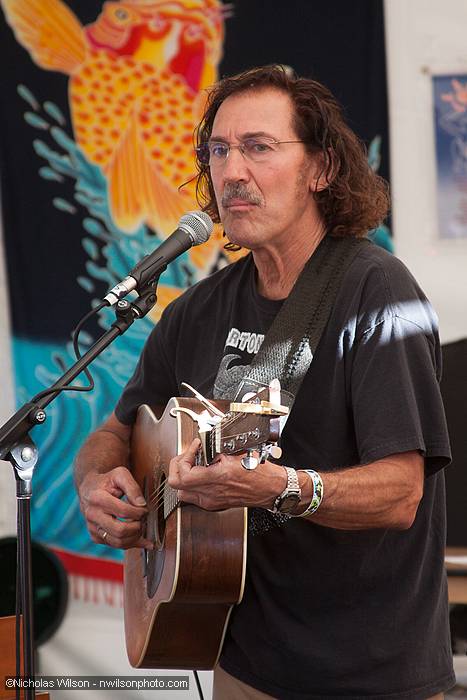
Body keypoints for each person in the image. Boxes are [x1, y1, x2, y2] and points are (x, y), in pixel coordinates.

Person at [75, 65, 455, 699]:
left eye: (258, 147)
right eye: (218, 151)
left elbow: (401, 493)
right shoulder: (196, 311)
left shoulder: (377, 293)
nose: (231, 171)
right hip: (242, 663)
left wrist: (278, 488)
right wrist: (96, 481)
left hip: (367, 675)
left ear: (322, 169)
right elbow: (114, 431)